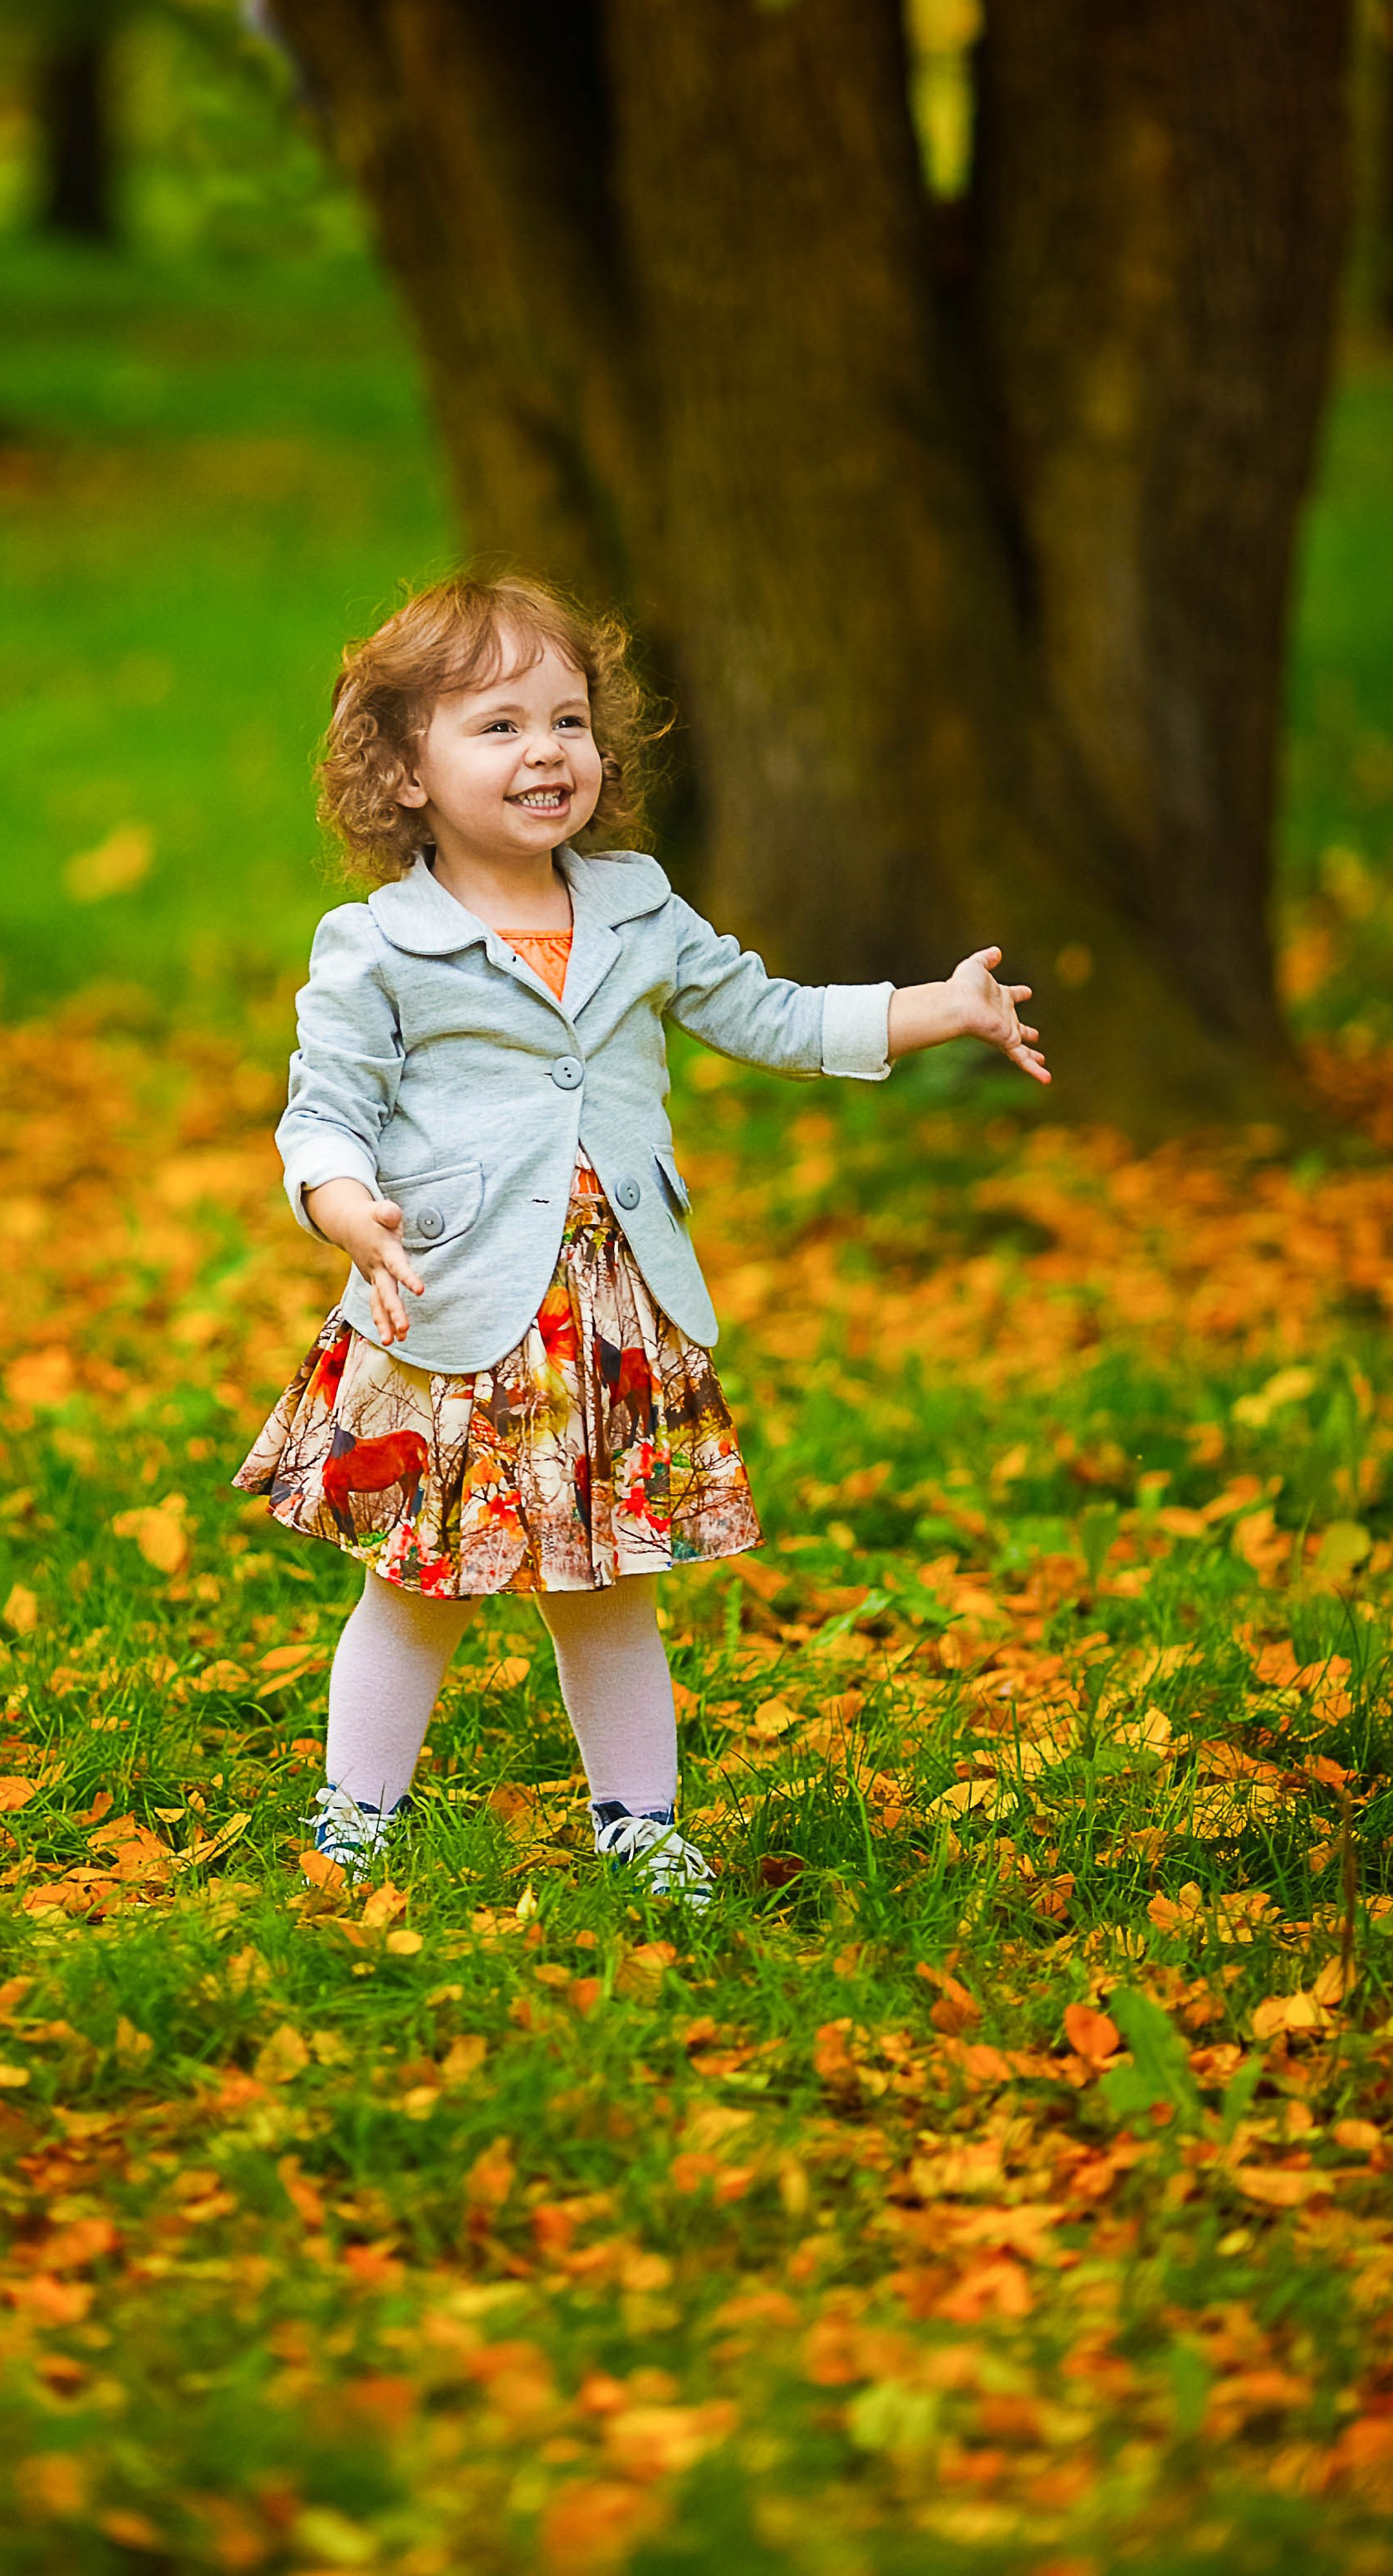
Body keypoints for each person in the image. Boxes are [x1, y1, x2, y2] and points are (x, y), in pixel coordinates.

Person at [234, 575, 1048, 1903]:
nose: (546, 750)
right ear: (402, 771)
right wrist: (344, 1207)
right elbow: (323, 1109)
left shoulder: (635, 906)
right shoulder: (381, 945)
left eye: (569, 719)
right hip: (452, 1312)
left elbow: (770, 1014)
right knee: (420, 1588)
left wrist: (935, 1008)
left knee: (610, 1585)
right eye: (499, 727)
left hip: (614, 1320)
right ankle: (355, 1820)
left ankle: (641, 1824)